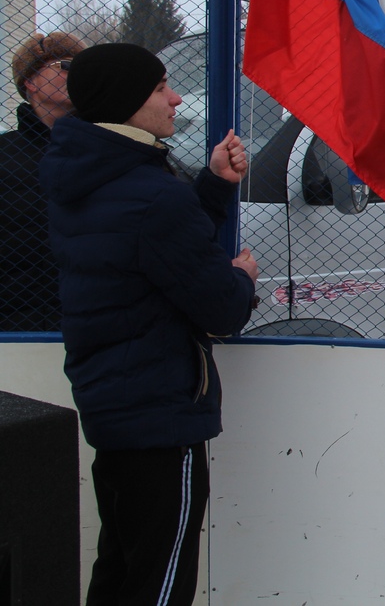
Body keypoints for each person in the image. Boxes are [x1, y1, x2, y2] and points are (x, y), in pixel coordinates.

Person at [39, 42, 260, 606]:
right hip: (160, 417)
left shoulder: (86, 179)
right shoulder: (153, 195)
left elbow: (151, 253)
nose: (176, 98)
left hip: (111, 407)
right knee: (159, 583)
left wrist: (211, 189)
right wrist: (241, 278)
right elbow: (222, 310)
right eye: (162, 86)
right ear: (127, 99)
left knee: (120, 568)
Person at [0, 32, 85, 331]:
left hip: (96, 318)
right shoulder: (4, 155)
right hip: (17, 322)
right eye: (64, 65)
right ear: (30, 82)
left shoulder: (109, 148)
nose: (76, 74)